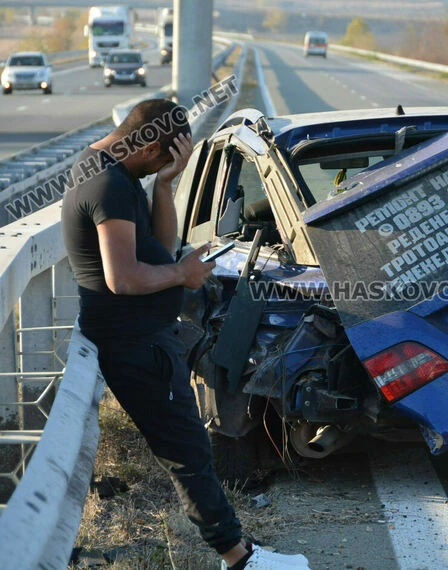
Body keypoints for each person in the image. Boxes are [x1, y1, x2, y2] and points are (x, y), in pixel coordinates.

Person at [61, 99, 311, 570]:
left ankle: (238, 549)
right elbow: (124, 277)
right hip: (135, 344)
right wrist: (182, 275)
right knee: (188, 453)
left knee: (188, 446)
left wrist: (165, 184)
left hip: (144, 337)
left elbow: (157, 246)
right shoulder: (108, 185)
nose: (166, 165)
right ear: (150, 144)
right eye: (165, 158)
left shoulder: (108, 169)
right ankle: (238, 559)